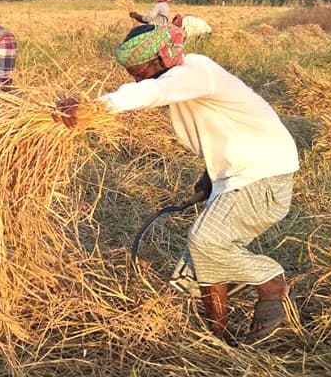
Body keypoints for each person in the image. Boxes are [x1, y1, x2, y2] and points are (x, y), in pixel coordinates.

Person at [55, 24, 299, 343]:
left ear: (160, 58)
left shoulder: (195, 71)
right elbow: (227, 130)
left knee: (205, 242)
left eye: (140, 73)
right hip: (241, 172)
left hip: (262, 174)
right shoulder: (184, 81)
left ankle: (270, 282)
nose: (137, 80)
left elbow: (151, 92)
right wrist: (210, 176)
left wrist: (92, 109)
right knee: (201, 260)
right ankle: (219, 339)